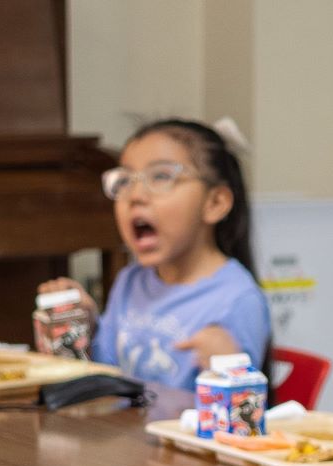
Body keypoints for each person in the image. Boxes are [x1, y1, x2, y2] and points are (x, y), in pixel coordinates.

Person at [39, 119, 270, 391]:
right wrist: (85, 328)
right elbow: (110, 379)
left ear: (215, 203)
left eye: (160, 176)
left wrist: (230, 367)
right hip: (123, 432)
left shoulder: (236, 299)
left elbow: (248, 416)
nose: (135, 195)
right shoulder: (130, 281)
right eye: (124, 180)